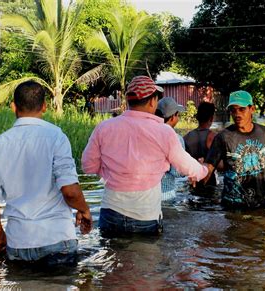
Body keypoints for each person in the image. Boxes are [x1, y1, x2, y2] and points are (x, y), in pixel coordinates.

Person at [0, 81, 92, 265]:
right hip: (57, 239)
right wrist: (84, 210)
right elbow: (70, 191)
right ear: (45, 106)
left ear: (13, 106)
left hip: (18, 244)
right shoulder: (57, 137)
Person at [81, 76, 208, 236]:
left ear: (128, 100)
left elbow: (88, 166)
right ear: (152, 102)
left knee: (113, 259)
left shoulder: (104, 127)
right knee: (147, 259)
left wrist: (111, 173)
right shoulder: (164, 131)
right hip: (145, 216)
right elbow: (186, 166)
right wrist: (203, 170)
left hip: (111, 212)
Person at [155, 97, 185, 202]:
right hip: (166, 194)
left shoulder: (148, 134)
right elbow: (177, 172)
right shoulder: (176, 138)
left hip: (146, 195)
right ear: (173, 117)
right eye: (178, 115)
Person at [183, 102, 218, 192]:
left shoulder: (186, 137)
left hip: (193, 180)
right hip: (209, 181)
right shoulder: (213, 137)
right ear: (211, 118)